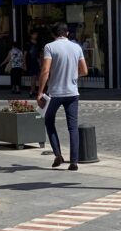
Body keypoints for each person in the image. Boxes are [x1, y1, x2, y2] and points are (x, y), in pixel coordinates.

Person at [37, 23, 88, 171]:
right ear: (67, 33)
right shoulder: (76, 47)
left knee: (49, 120)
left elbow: (45, 70)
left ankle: (58, 154)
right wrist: (72, 76)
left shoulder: (50, 47)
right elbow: (84, 70)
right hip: (72, 93)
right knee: (72, 127)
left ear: (54, 34)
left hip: (55, 92)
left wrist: (40, 91)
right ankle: (74, 161)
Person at [25, 30, 41, 97]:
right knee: (33, 77)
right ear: (31, 35)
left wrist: (40, 61)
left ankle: (35, 90)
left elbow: (40, 54)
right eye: (34, 34)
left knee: (39, 76)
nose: (35, 36)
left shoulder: (38, 43)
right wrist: (24, 63)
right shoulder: (28, 43)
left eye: (36, 34)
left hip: (37, 61)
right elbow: (25, 54)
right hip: (31, 61)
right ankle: (32, 90)